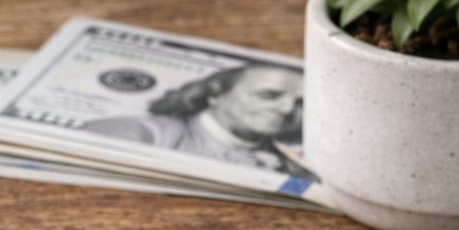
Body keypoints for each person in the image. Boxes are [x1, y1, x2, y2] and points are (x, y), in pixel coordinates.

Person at [83, 63, 308, 175]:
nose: (287, 109)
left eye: (302, 104)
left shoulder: (295, 169)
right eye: (268, 95)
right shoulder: (136, 133)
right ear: (216, 94)